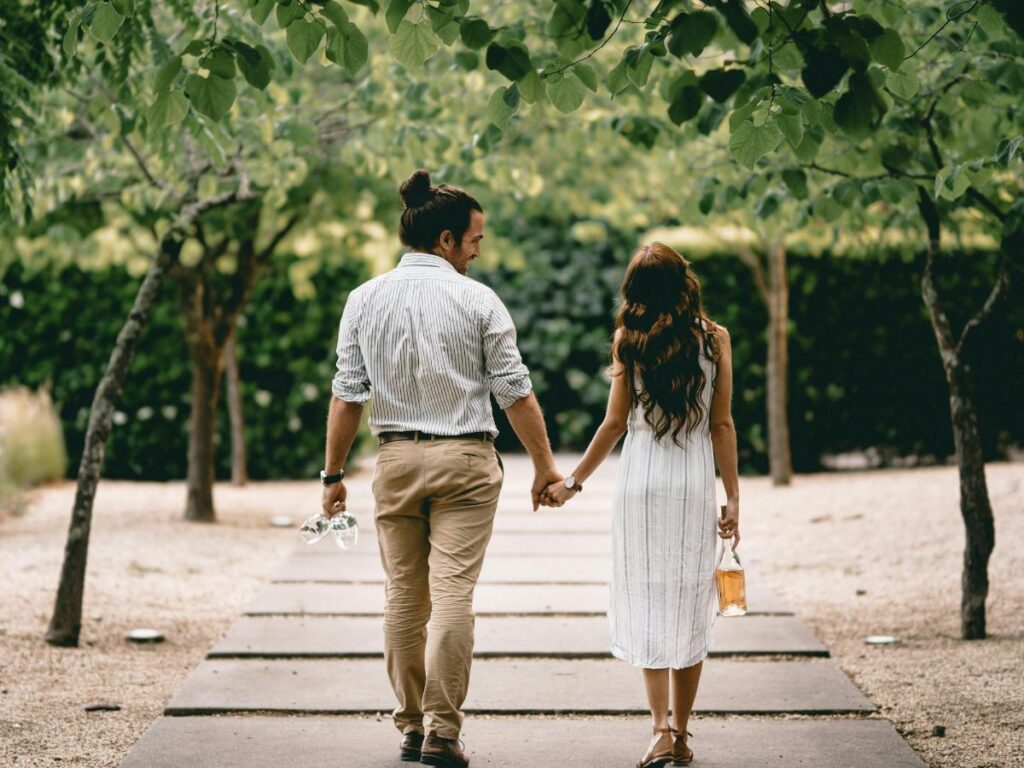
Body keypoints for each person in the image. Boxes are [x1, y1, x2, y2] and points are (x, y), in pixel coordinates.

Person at [320, 169, 561, 768]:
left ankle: (409, 727)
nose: (479, 249)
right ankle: (442, 734)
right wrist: (545, 468)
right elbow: (515, 393)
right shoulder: (478, 299)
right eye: (475, 239)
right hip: (466, 460)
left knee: (404, 598)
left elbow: (348, 395)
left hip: (396, 459)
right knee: (453, 595)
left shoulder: (363, 299)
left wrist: (332, 477)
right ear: (447, 240)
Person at [544, 242, 740, 767]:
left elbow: (613, 425)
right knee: (690, 602)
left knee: (649, 601)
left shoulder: (627, 341)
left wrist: (572, 483)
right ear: (685, 284)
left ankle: (658, 732)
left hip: (640, 484)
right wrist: (734, 497)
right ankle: (682, 732)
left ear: (635, 290)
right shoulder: (716, 339)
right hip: (693, 484)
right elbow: (721, 424)